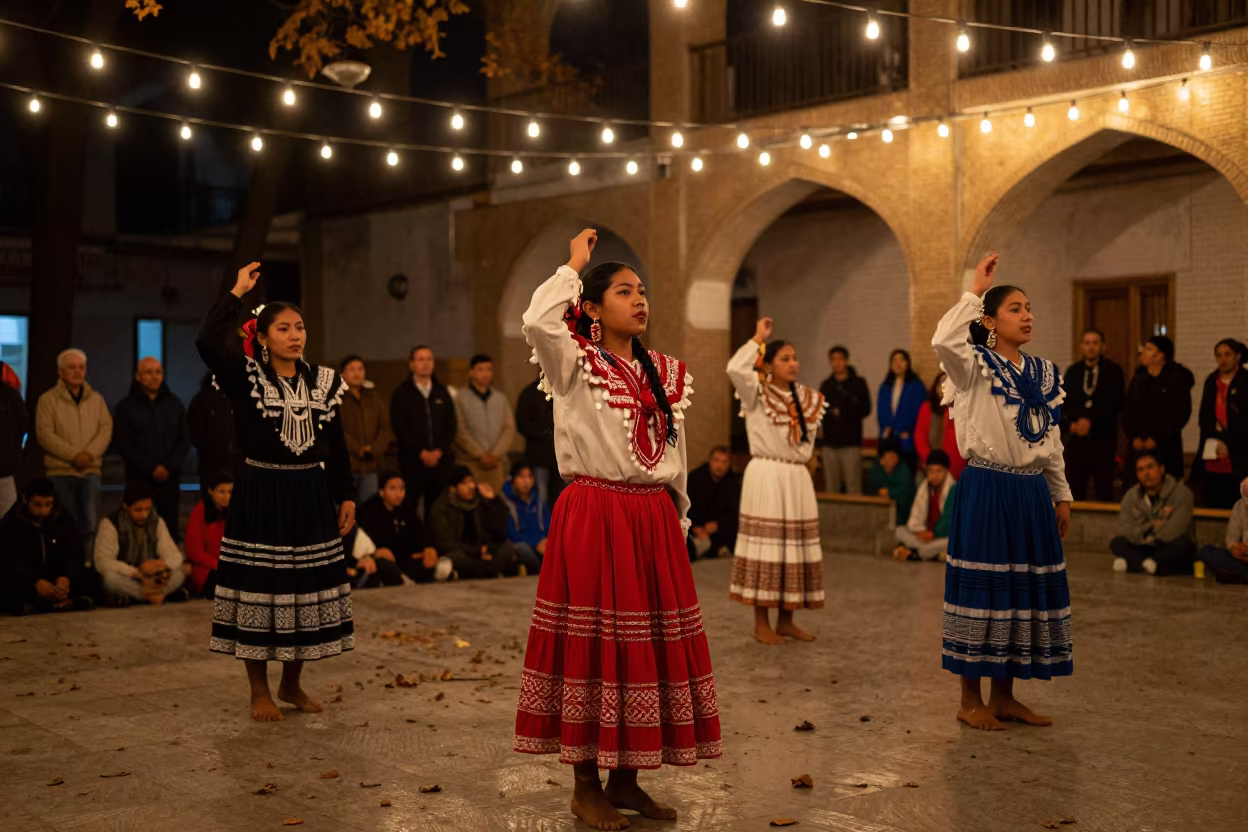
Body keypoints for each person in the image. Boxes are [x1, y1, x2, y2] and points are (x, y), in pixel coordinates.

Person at [514, 230, 719, 830]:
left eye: (643, 291)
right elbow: (537, 321)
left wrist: (674, 516)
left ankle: (627, 780)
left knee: (643, 649)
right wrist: (574, 267)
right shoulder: (576, 362)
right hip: (596, 515)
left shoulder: (663, 372)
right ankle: (585, 787)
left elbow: (671, 456)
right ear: (594, 308)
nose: (639, 300)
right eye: (624, 291)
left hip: (650, 518)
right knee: (596, 644)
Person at [197, 262, 355, 722]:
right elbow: (207, 342)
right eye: (282, 328)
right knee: (259, 592)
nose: (294, 335)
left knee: (305, 593)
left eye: (300, 327)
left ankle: (291, 684)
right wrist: (236, 293)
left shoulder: (323, 383)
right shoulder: (244, 378)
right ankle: (258, 692)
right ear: (262, 338)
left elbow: (337, 448)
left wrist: (345, 494)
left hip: (309, 496)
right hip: (261, 494)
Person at [932, 252, 1073, 732]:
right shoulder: (972, 366)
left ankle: (1006, 696)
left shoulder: (1044, 373)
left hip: (1031, 493)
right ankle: (970, 700)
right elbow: (943, 337)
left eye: (1029, 307)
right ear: (990, 321)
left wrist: (1061, 492)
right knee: (984, 589)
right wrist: (975, 291)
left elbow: (1048, 438)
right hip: (989, 487)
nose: (1027, 315)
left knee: (1020, 591)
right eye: (1015, 308)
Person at [727, 319, 827, 646]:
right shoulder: (756, 393)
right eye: (784, 359)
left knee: (792, 549)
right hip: (767, 475)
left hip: (797, 478)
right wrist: (757, 338)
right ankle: (761, 623)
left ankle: (787, 620)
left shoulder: (809, 398)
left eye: (795, 358)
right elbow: (735, 368)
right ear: (767, 366)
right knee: (766, 547)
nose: (793, 363)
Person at [35, 348, 112, 559]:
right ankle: (64, 571)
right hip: (60, 472)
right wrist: (73, 455)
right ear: (60, 371)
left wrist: (89, 455)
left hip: (90, 471)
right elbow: (45, 434)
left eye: (81, 367)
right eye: (72, 367)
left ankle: (87, 568)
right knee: (61, 525)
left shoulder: (97, 399)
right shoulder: (47, 400)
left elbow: (106, 429)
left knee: (89, 525)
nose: (77, 372)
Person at [113, 356, 191, 542]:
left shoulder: (175, 404)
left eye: (158, 372)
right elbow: (123, 444)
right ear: (138, 377)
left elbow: (185, 439)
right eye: (148, 372)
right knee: (140, 525)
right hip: (140, 478)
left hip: (170, 478)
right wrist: (151, 468)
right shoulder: (126, 408)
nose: (154, 377)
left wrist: (169, 467)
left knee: (169, 526)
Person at [0, 478, 94, 615]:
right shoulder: (12, 522)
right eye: (37, 505)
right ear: (26, 500)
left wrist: (65, 578)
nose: (43, 510)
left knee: (92, 577)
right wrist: (35, 582)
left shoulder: (63, 518)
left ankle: (50, 603)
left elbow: (74, 552)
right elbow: (9, 561)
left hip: (55, 577)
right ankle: (59, 604)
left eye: (48, 505)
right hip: (28, 579)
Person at [94, 481, 188, 605]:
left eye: (147, 509)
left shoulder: (156, 521)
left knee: (180, 573)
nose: (144, 515)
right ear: (126, 506)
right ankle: (156, 596)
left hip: (155, 577)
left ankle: (143, 596)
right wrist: (138, 573)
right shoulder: (110, 524)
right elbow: (103, 561)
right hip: (129, 575)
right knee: (110, 579)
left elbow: (173, 555)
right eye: (138, 510)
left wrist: (160, 568)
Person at [391, 345, 458, 515]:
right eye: (421, 359)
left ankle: (435, 541)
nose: (426, 363)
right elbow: (399, 426)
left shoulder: (442, 392)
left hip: (440, 462)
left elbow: (451, 425)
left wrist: (438, 451)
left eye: (429, 359)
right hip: (412, 461)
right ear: (412, 364)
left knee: (437, 509)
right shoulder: (402, 393)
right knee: (410, 507)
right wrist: (420, 452)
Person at [1062, 329, 1125, 502]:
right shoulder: (1073, 372)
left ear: (1103, 346)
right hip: (1077, 440)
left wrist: (1091, 421)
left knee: (1104, 488)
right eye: (1087, 343)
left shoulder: (1113, 372)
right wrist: (1072, 425)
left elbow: (1114, 403)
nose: (1091, 347)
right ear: (1082, 346)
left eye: (1095, 343)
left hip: (1102, 440)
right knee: (1075, 487)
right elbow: (1064, 403)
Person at [356, 471, 453, 584]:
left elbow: (420, 533)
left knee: (430, 560)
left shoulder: (406, 508)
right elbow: (364, 541)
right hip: (382, 559)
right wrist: (375, 551)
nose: (398, 494)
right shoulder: (369, 511)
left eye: (401, 489)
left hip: (404, 558)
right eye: (393, 488)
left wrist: (428, 548)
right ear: (382, 492)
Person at [1110, 451, 1196, 576]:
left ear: (1161, 469)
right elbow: (1126, 529)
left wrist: (1148, 534)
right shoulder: (1131, 495)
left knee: (1183, 544)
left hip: (1168, 546)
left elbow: (1177, 529)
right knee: (1117, 543)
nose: (1146, 473)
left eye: (1150, 467)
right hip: (1143, 545)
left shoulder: (1182, 494)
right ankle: (1153, 564)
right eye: (1141, 470)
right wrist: (1151, 526)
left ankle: (1135, 564)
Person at [1123, 335, 1194, 482]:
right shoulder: (1138, 379)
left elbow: (1179, 413)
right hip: (1137, 444)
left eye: (1149, 349)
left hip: (1165, 445)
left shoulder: (1176, 380)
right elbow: (1128, 409)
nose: (1143, 352)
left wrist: (1157, 437)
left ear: (1161, 354)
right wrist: (1134, 436)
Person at [428, 465, 520, 578]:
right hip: (463, 552)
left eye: (472, 482)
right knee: (455, 558)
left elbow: (499, 529)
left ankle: (465, 573)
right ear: (453, 487)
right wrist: (476, 551)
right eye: (465, 483)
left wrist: (493, 501)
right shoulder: (441, 507)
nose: (470, 487)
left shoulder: (480, 501)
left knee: (507, 549)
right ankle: (491, 570)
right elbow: (444, 542)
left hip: (483, 552)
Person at [1194, 339, 1248, 509]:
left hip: (1240, 452)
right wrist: (1215, 440)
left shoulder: (1246, 381)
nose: (1222, 359)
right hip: (1214, 449)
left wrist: (1228, 442)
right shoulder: (1212, 381)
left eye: (1227, 355)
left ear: (1238, 356)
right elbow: (1205, 416)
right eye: (1219, 355)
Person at [453, 354, 517, 493]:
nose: (485, 374)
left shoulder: (500, 398)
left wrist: (495, 454)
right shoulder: (460, 398)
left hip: (496, 464)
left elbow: (508, 428)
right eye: (480, 369)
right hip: (471, 463)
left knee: (496, 503)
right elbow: (460, 430)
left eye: (488, 369)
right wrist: (480, 454)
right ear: (471, 372)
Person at [339, 355, 394, 503]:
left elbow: (385, 427)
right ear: (342, 374)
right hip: (346, 466)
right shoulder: (335, 398)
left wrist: (374, 449)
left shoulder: (374, 397)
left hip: (371, 465)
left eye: (360, 369)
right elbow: (336, 430)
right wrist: (358, 449)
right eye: (352, 370)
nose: (357, 373)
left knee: (369, 508)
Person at [818, 346, 871, 494]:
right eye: (833, 359)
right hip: (829, 443)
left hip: (851, 442)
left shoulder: (858, 383)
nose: (837, 363)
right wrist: (831, 412)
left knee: (853, 486)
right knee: (831, 487)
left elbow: (866, 409)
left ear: (846, 361)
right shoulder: (826, 385)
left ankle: (856, 518)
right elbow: (819, 411)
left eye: (840, 359)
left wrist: (844, 412)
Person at [893, 449, 956, 562]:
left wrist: (933, 535)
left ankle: (914, 553)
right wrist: (920, 532)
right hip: (924, 536)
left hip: (941, 537)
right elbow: (915, 516)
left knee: (953, 543)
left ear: (946, 471)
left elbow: (949, 521)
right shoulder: (924, 487)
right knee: (899, 531)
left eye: (939, 471)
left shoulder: (954, 489)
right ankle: (928, 554)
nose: (934, 475)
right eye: (931, 471)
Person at [686, 445, 741, 561]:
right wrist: (697, 526)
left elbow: (735, 511)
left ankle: (718, 548)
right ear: (710, 461)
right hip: (696, 525)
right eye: (716, 461)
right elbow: (687, 506)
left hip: (719, 526)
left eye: (724, 462)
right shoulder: (696, 478)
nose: (719, 466)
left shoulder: (733, 482)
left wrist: (719, 524)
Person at [516, 373, 564, 505]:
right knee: (540, 499)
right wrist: (545, 432)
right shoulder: (530, 393)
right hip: (538, 456)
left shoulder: (562, 392)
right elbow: (522, 424)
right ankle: (542, 525)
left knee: (560, 499)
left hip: (560, 458)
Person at [876, 348, 926, 475]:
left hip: (907, 438)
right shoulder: (885, 386)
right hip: (888, 438)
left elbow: (919, 413)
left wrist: (903, 429)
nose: (898, 363)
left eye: (902, 360)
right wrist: (887, 428)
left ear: (908, 363)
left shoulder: (916, 385)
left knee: (907, 475)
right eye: (894, 360)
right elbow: (881, 411)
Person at [184, 470, 233, 598]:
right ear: (210, 491)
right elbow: (195, 551)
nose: (226, 497)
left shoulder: (236, 511)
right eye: (221, 492)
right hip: (208, 567)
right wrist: (220, 565)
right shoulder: (201, 511)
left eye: (230, 492)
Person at [189, 371, 240, 487]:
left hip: (241, 467)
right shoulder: (201, 400)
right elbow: (195, 434)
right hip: (211, 468)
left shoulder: (244, 397)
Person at [915, 371, 966, 481]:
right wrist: (931, 459)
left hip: (955, 467)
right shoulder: (927, 407)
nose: (944, 387)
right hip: (930, 464)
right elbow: (920, 436)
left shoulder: (962, 409)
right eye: (941, 383)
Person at [1197, 476, 1248, 584]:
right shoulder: (1239, 506)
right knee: (1207, 551)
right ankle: (1243, 575)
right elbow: (1231, 542)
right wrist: (1236, 549)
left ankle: (1240, 576)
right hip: (1241, 559)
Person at [502, 462, 550, 574]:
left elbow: (549, 523)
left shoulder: (537, 500)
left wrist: (547, 540)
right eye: (522, 477)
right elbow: (510, 533)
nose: (526, 481)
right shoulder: (505, 502)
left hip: (542, 544)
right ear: (512, 479)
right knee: (522, 549)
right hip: (523, 544)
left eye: (530, 477)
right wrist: (536, 543)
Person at [868, 437, 915, 526]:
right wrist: (879, 493)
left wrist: (889, 493)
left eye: (894, 456)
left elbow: (904, 493)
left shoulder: (904, 472)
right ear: (882, 460)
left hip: (900, 516)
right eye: (889, 456)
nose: (892, 459)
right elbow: (871, 490)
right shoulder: (876, 470)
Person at [0, 373, 26, 519]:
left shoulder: (9, 395)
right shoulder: (10, 395)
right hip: (6, 469)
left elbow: (23, 425)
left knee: (8, 523)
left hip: (4, 472)